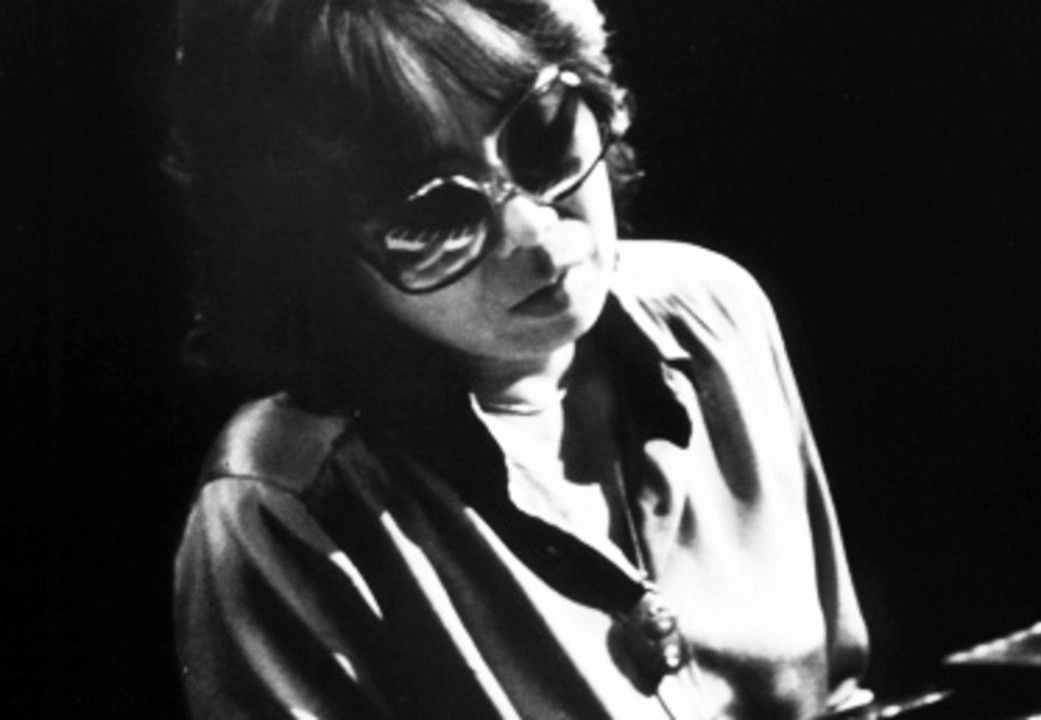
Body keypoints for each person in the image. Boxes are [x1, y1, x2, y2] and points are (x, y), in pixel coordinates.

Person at [168, 0, 870, 717]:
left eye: (542, 139)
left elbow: (837, 699)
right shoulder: (281, 504)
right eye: (433, 214)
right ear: (315, 266)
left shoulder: (716, 314)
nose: (533, 229)